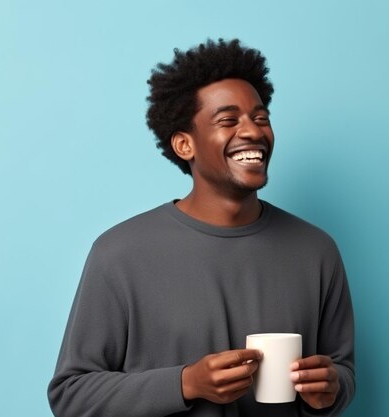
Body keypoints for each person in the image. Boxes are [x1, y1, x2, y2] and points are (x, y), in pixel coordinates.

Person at [48, 38, 355, 417]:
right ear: (184, 145)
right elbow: (71, 395)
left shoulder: (316, 250)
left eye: (261, 118)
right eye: (228, 120)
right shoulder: (119, 253)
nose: (253, 132)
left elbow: (343, 370)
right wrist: (185, 383)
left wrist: (331, 389)